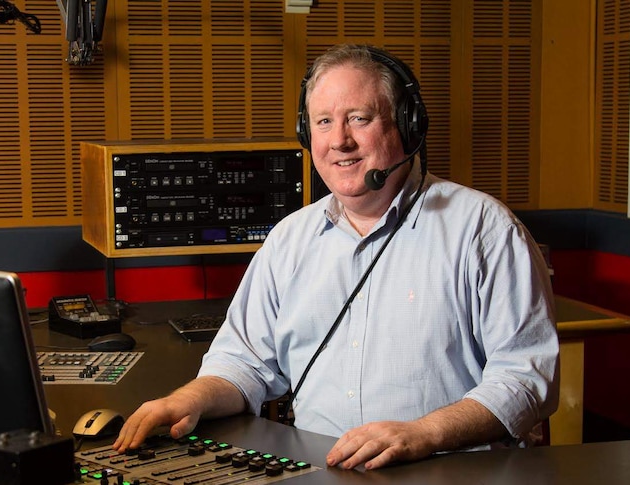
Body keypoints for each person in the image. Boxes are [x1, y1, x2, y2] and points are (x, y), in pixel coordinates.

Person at [113, 44, 559, 470]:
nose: (339, 141)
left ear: (408, 125)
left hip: (449, 470)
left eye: (359, 118)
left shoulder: (483, 229)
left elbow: (526, 379)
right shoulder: (290, 239)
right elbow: (244, 362)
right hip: (318, 470)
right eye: (323, 122)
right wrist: (184, 400)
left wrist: (425, 433)